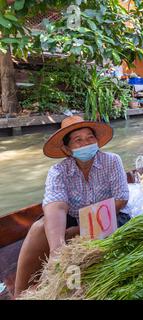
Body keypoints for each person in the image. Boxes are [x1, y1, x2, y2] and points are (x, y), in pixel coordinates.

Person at [14, 116, 130, 296]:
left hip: (110, 215)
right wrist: (57, 249)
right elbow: (55, 206)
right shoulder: (58, 171)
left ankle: (71, 281)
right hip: (73, 216)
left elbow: (121, 199)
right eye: (78, 140)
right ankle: (20, 292)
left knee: (72, 235)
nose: (86, 142)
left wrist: (82, 227)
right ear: (67, 149)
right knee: (39, 228)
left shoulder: (112, 161)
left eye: (90, 137)